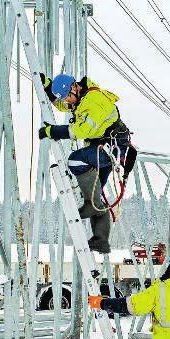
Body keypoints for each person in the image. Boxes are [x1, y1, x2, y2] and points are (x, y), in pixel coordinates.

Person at [37, 73, 136, 254]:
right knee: (95, 196)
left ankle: (91, 206)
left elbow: (81, 130)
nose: (67, 100)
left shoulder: (93, 101)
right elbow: (63, 105)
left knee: (75, 160)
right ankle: (101, 240)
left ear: (75, 88)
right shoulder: (79, 98)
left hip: (111, 148)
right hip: (105, 148)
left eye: (67, 95)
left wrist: (52, 131)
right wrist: (48, 86)